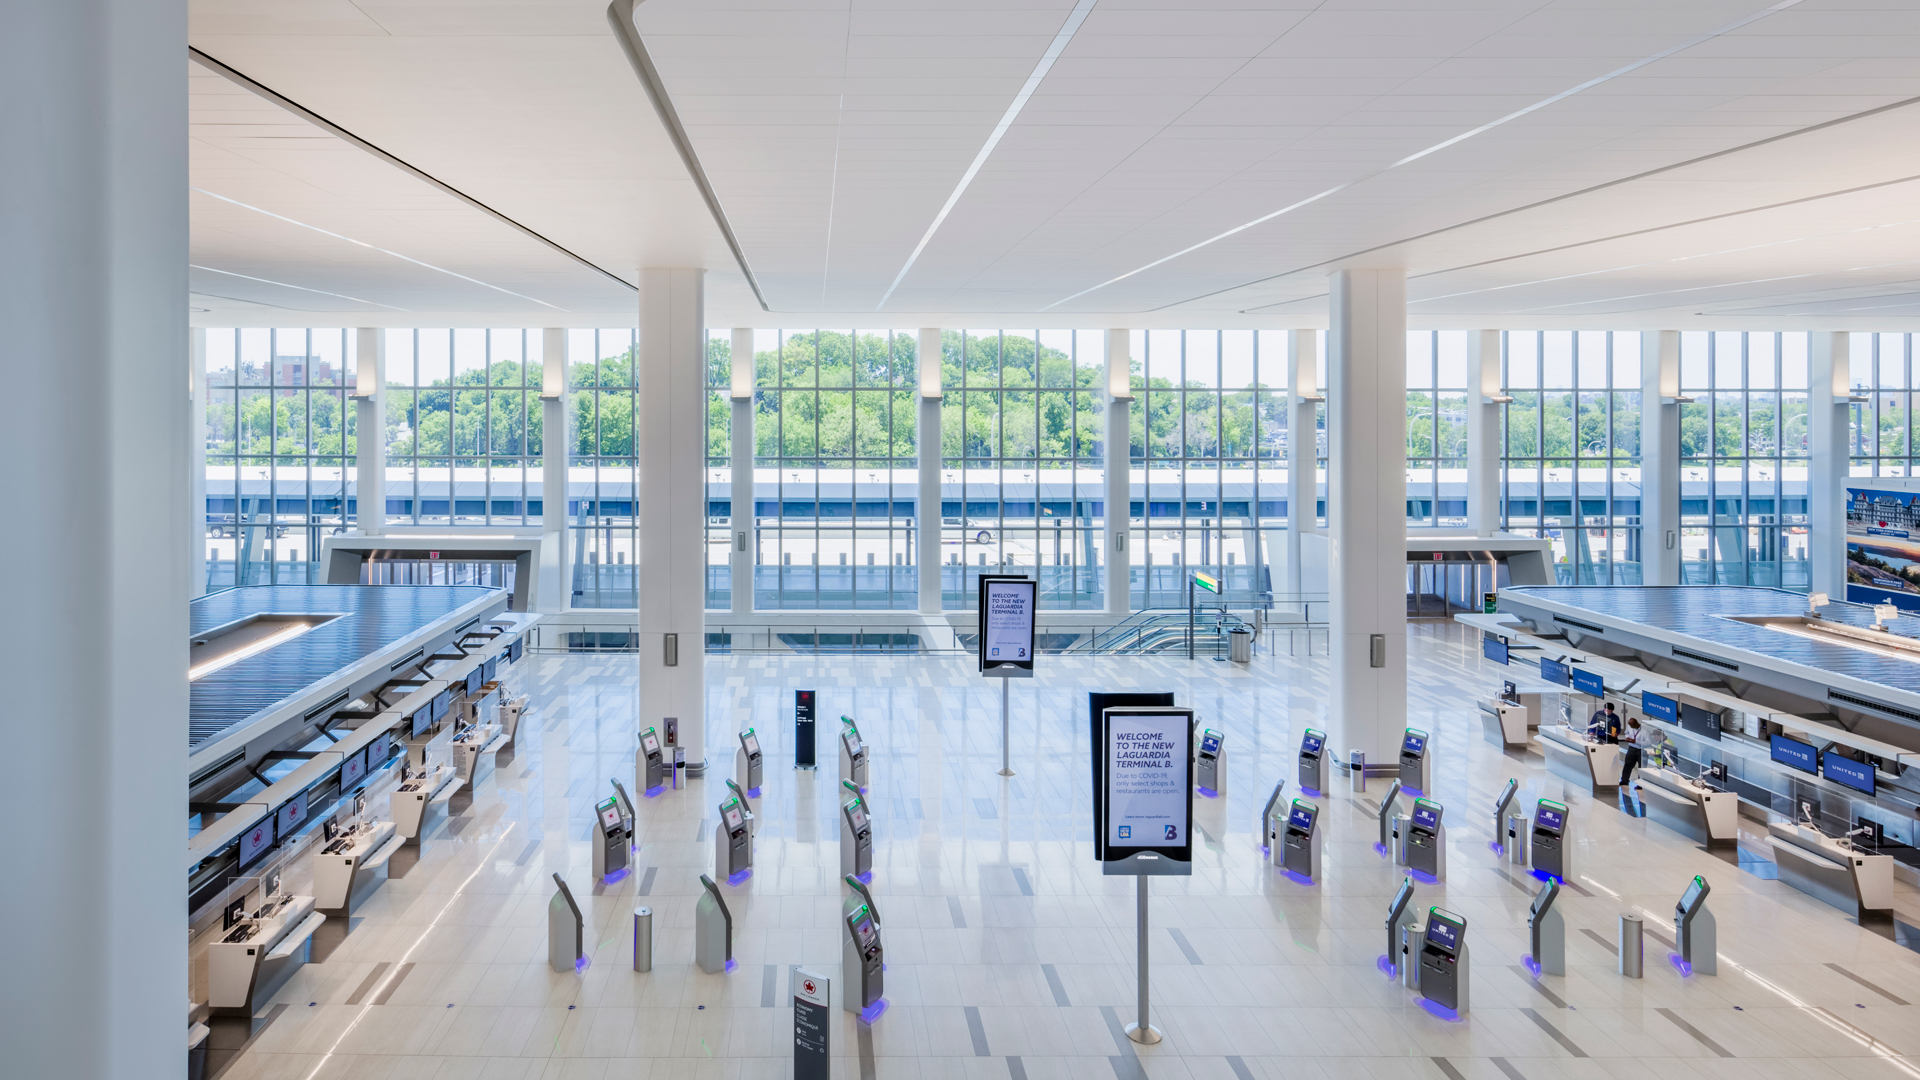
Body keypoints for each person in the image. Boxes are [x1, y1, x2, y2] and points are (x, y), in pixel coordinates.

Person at [1619, 716, 1655, 786]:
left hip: (1641, 750)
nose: (1630, 727)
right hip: (1631, 748)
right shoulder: (1629, 727)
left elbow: (1648, 743)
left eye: (1631, 725)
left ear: (1636, 724)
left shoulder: (1645, 731)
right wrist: (1627, 737)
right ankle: (1624, 781)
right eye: (1629, 725)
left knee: (1642, 767)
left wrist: (1636, 741)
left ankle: (1640, 784)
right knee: (1627, 765)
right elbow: (1626, 732)